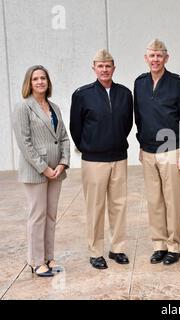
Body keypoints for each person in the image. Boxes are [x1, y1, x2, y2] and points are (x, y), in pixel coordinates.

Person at [134, 39, 180, 265]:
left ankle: (173, 246)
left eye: (159, 56)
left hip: (172, 150)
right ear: (146, 58)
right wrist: (141, 144)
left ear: (166, 58)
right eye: (151, 55)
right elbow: (138, 118)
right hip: (148, 151)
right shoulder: (139, 83)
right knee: (154, 201)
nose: (155, 60)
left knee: (172, 201)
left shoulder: (178, 84)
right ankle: (158, 245)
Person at [70, 49, 133, 269]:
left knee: (119, 205)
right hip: (94, 160)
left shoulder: (125, 93)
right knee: (95, 207)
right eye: (100, 66)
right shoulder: (82, 94)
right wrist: (89, 146)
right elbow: (75, 128)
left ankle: (117, 248)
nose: (104, 70)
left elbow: (127, 124)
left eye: (108, 66)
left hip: (118, 157)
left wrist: (114, 141)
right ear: (94, 68)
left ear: (114, 68)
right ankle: (95, 251)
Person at [13, 65, 70, 277]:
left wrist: (63, 163)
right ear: (29, 83)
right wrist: (44, 168)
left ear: (48, 82)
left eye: (43, 78)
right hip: (36, 171)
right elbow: (24, 143)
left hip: (57, 171)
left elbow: (63, 137)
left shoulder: (54, 107)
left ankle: (48, 256)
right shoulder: (23, 107)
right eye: (35, 79)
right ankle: (36, 261)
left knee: (51, 216)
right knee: (37, 216)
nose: (40, 82)